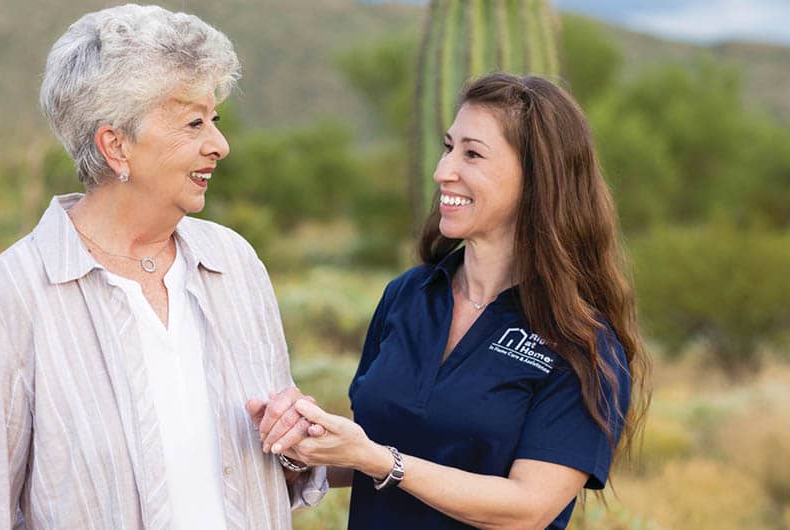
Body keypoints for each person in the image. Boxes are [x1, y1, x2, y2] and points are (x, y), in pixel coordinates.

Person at [0, 5, 325, 529]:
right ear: (115, 146)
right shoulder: (12, 295)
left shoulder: (234, 263)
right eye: (194, 123)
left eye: (215, 119)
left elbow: (273, 472)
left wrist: (291, 442)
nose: (219, 144)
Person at [253, 73, 651, 529]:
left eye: (473, 154)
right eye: (448, 147)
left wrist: (381, 460)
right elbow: (377, 450)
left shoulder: (580, 343)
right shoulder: (407, 295)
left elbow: (527, 508)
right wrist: (306, 447)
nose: (444, 171)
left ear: (538, 178)